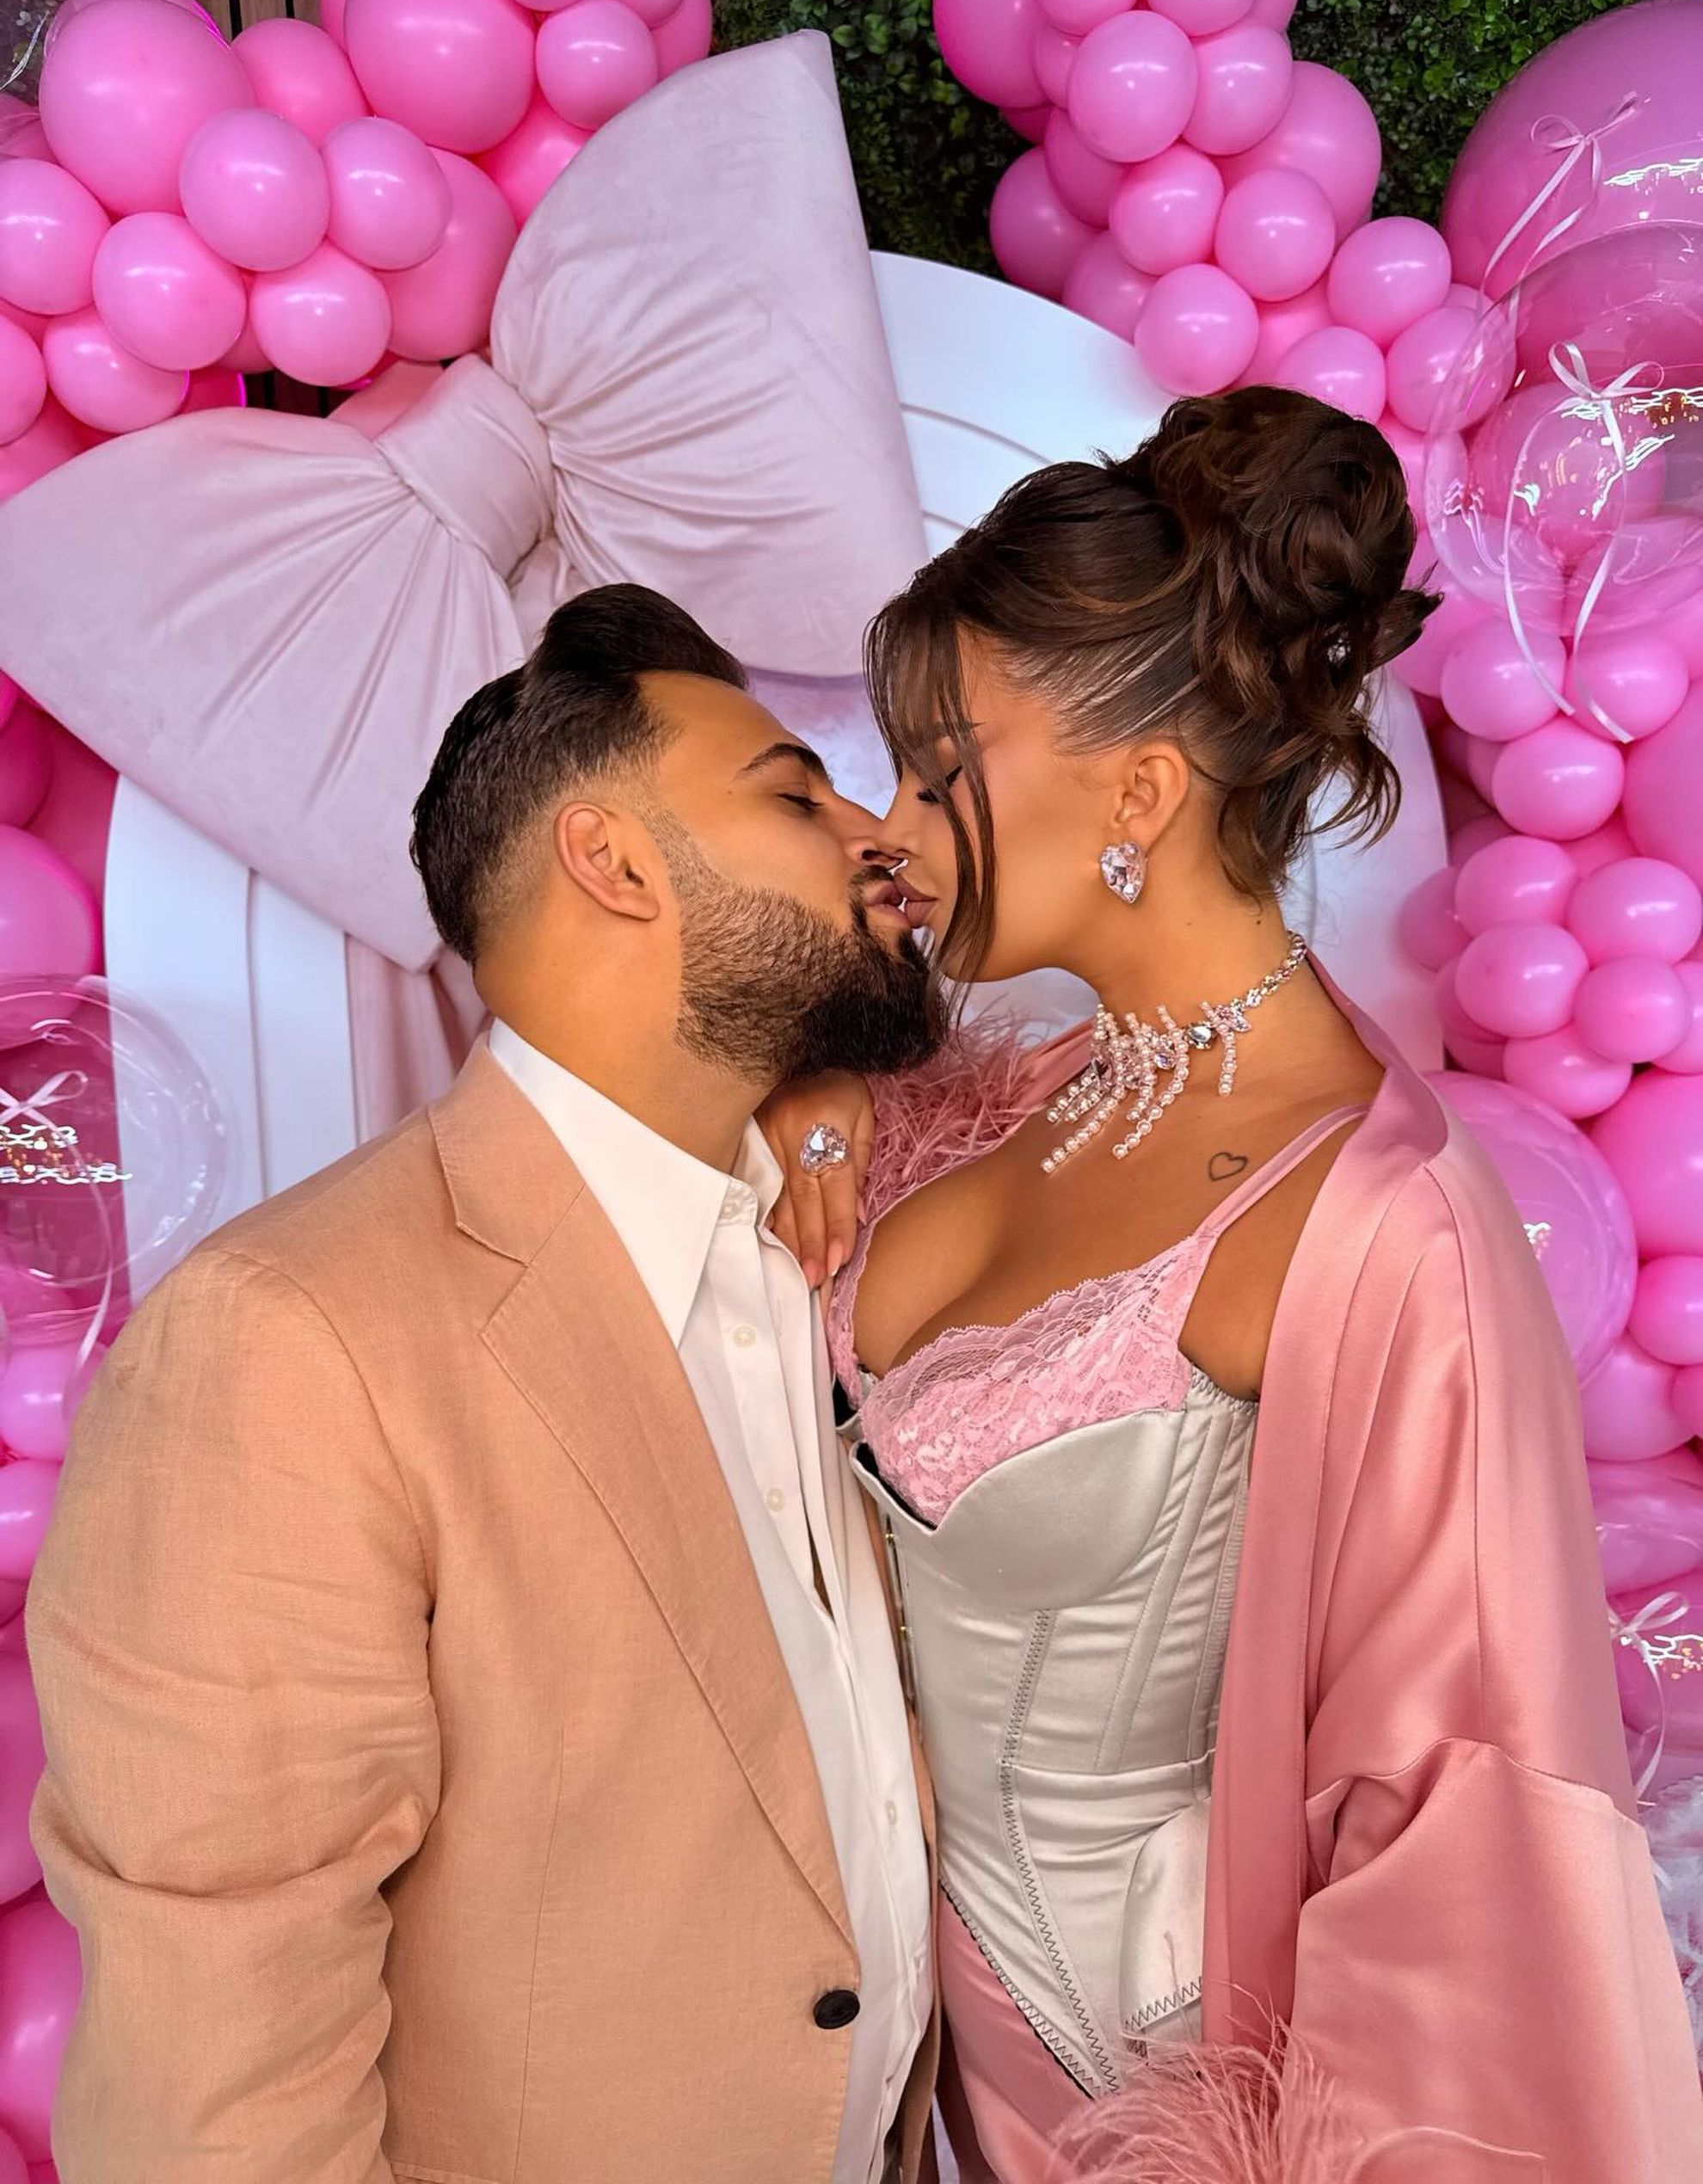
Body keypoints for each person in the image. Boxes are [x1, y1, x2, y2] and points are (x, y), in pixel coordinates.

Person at [762, 388, 1703, 2181]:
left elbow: (1465, 1813)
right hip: (880, 2051)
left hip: (1145, 2099)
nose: (891, 823)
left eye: (940, 768)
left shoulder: (1382, 1223)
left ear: (1137, 792)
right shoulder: (990, 1105)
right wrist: (807, 1104)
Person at [26, 584, 950, 2184]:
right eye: (798, 796)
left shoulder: (818, 1229)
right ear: (614, 863)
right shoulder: (284, 1342)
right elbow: (217, 2099)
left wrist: (825, 1101)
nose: (878, 835)